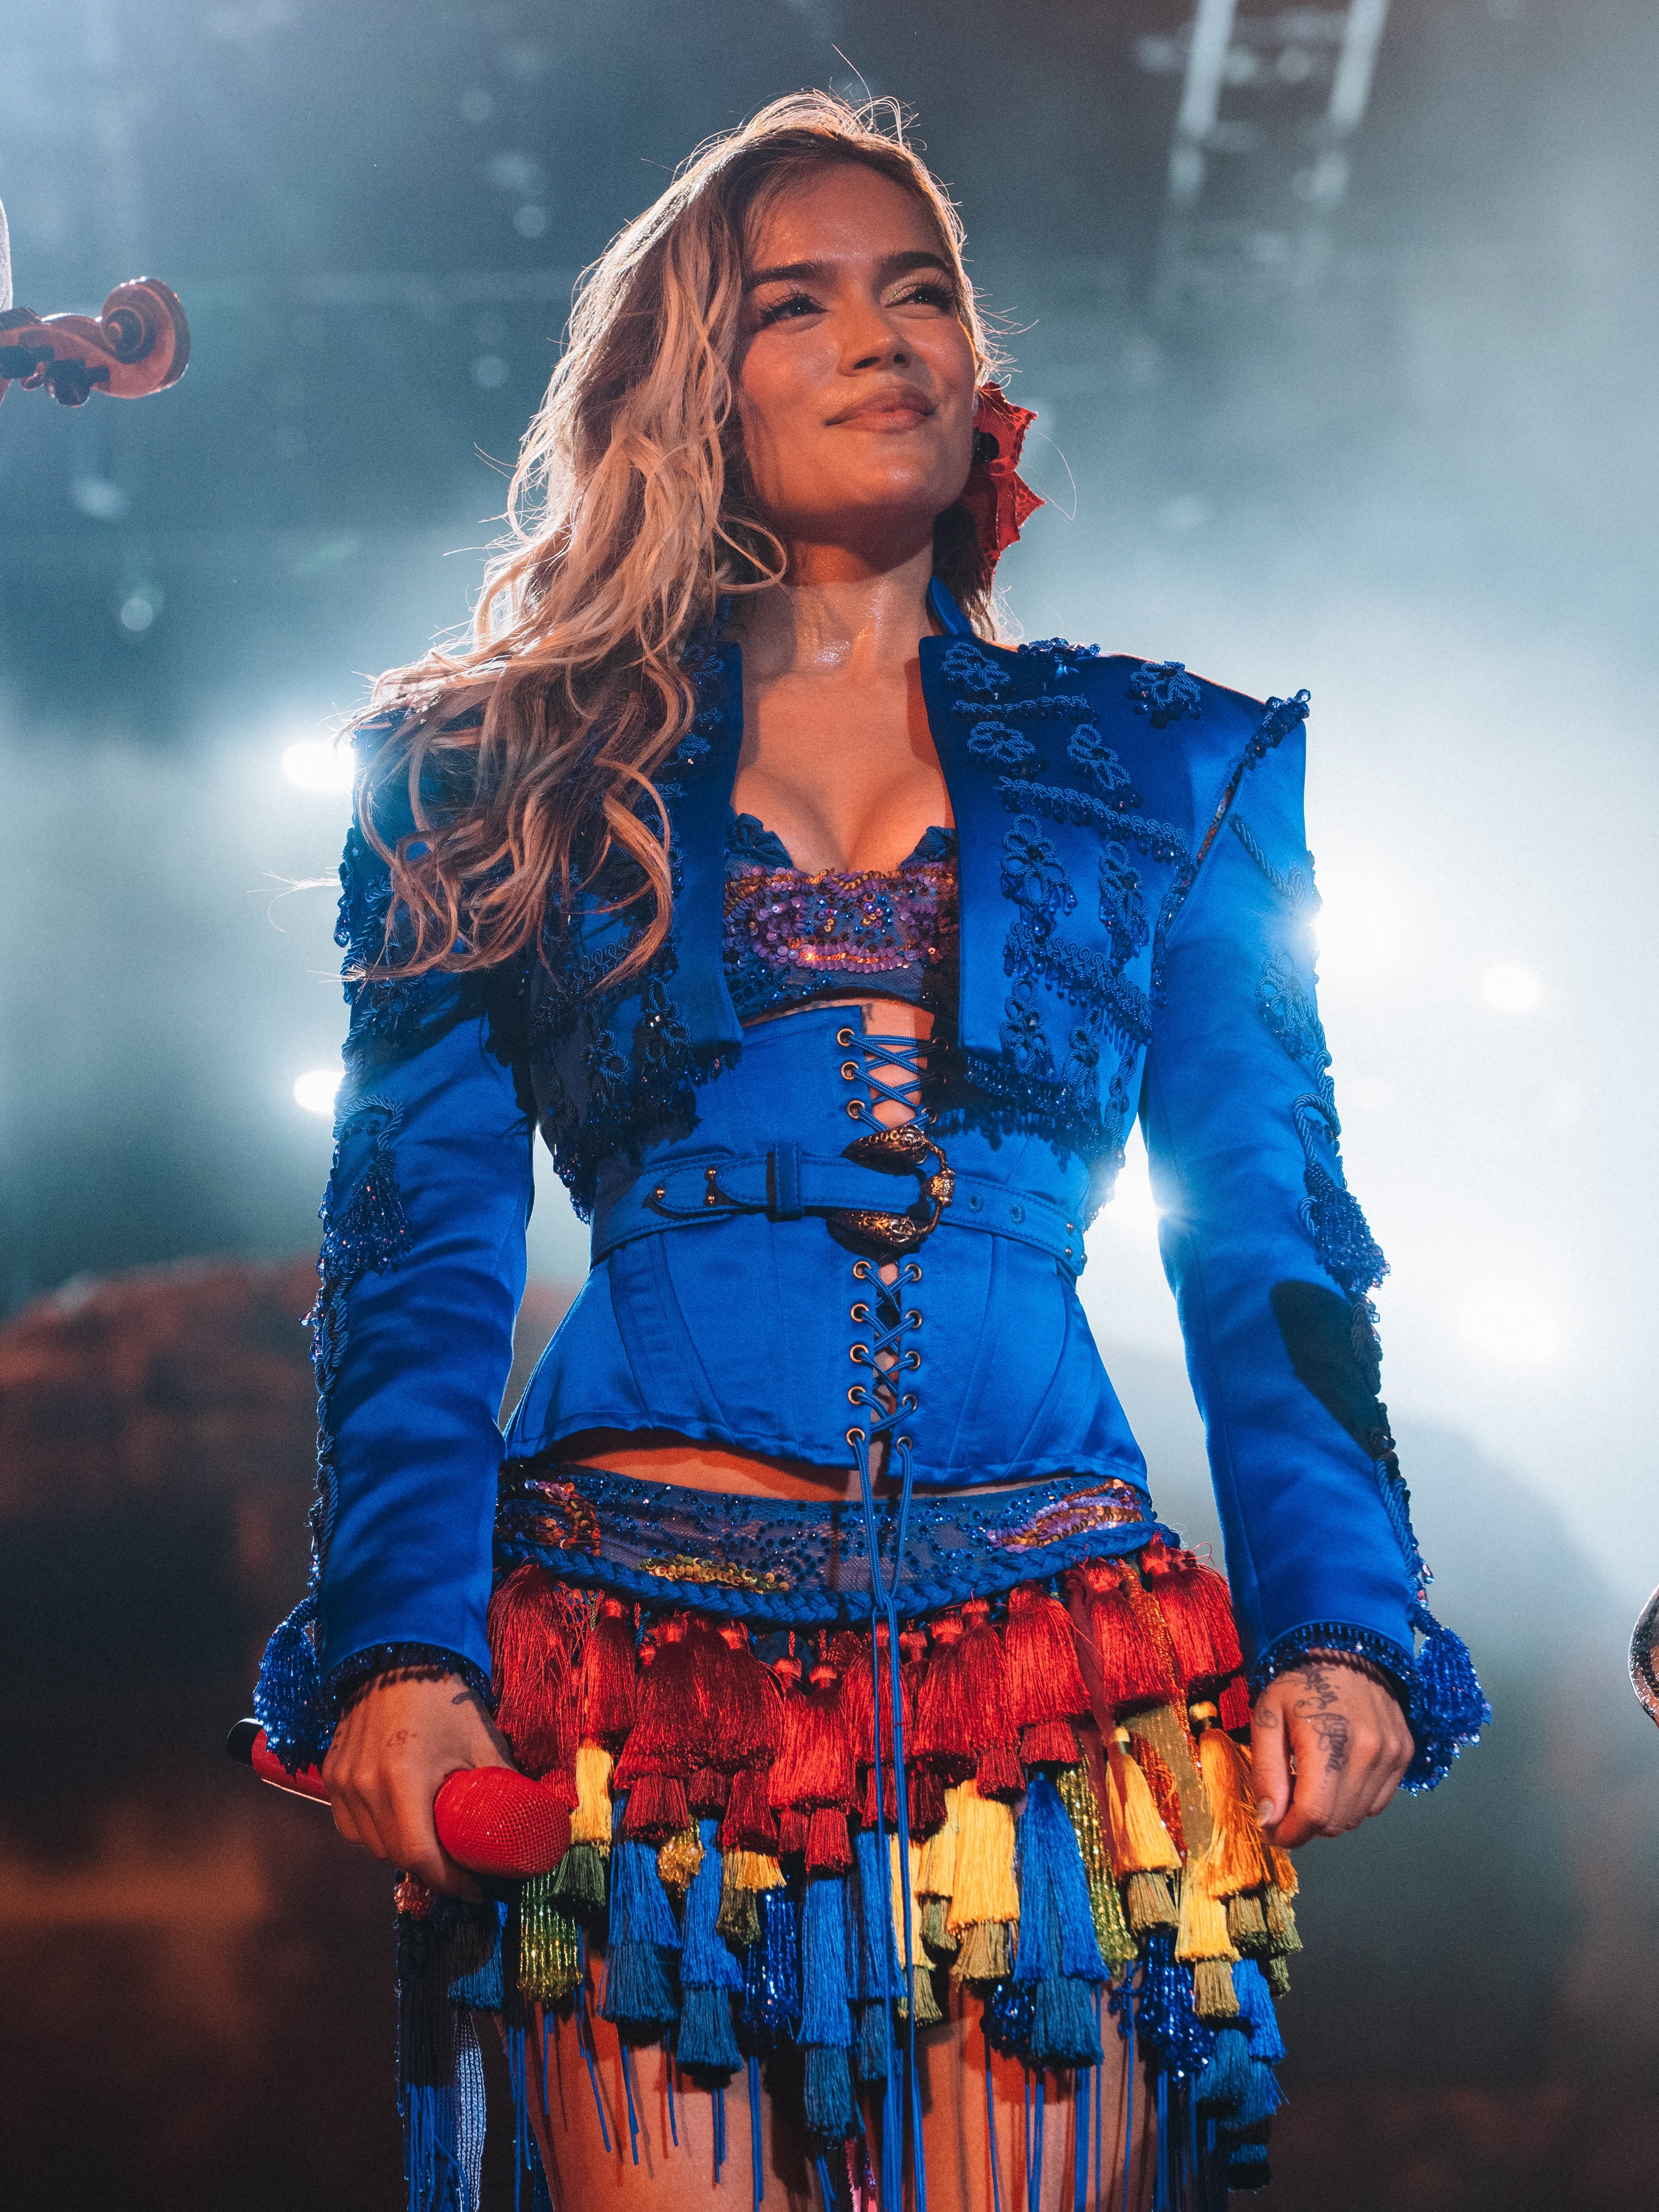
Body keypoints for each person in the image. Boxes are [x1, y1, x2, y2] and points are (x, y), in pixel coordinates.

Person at [253, 91, 1485, 2212]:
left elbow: (1269, 1235)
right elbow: (410, 1258)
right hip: (629, 1668)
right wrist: (401, 1655)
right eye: (797, 303)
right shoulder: (489, 769)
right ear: (692, 387)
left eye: (918, 290)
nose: (880, 334)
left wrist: (1342, 1624)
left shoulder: (1171, 764)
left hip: (1053, 1662)